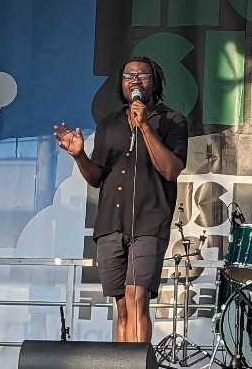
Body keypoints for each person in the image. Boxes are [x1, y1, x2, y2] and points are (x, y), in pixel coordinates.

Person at [53, 56, 188, 343]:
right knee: (123, 308)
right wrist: (79, 155)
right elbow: (96, 177)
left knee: (137, 297)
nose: (135, 80)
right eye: (128, 76)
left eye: (143, 76)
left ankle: (137, 364)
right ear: (121, 83)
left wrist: (146, 128)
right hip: (110, 226)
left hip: (149, 224)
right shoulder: (109, 124)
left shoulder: (172, 120)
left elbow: (171, 169)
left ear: (154, 83)